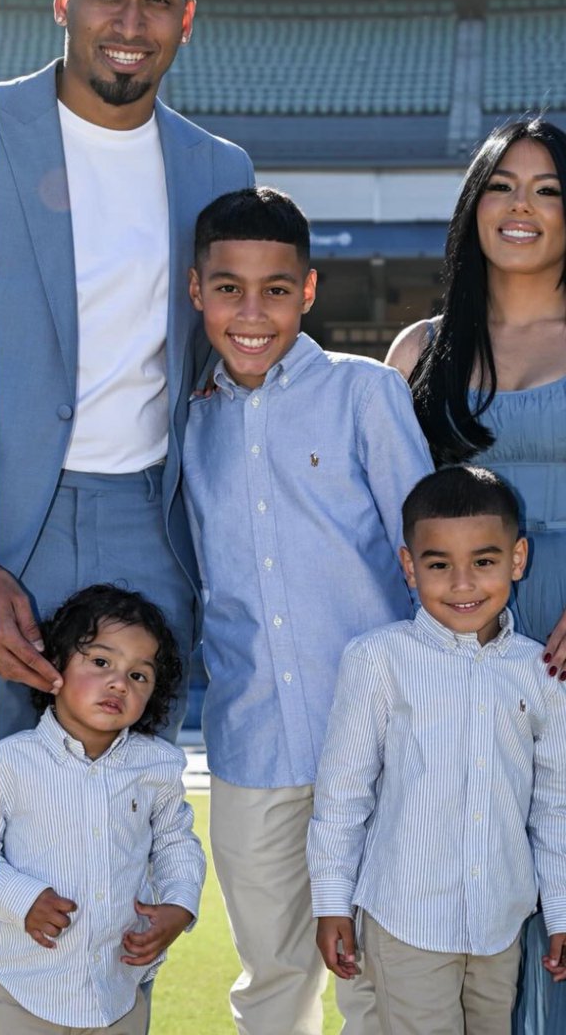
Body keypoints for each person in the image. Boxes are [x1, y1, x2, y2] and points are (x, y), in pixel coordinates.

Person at [0, 0, 254, 741]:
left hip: (152, 519)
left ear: (185, 19)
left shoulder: (220, 170)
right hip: (1, 527)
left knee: (134, 803)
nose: (130, 22)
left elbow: (242, 341)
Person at [181, 187, 433, 1035]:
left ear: (310, 291)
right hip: (250, 743)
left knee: (379, 971)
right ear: (195, 292)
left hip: (374, 740)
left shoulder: (366, 396)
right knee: (273, 976)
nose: (252, 313)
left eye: (276, 290)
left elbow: (424, 563)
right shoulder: (187, 421)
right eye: (228, 289)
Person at [385, 115, 566, 1032]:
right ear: (473, 207)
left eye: (547, 189)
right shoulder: (422, 352)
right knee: (479, 873)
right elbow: (388, 521)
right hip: (463, 649)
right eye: (501, 186)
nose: (521, 207)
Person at [308, 465, 566, 1035]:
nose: (463, 584)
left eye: (484, 561)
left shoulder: (542, 672)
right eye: (438, 564)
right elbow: (343, 793)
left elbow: (555, 806)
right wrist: (331, 903)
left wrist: (561, 911)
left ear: (517, 560)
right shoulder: (378, 661)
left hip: (500, 921)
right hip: (407, 917)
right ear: (409, 566)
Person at [0, 583, 206, 1035]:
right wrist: (22, 899)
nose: (118, 682)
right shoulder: (10, 762)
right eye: (100, 662)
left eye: (139, 675)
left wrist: (179, 904)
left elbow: (176, 842)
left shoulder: (157, 764)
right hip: (19, 990)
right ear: (55, 664)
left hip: (118, 991)